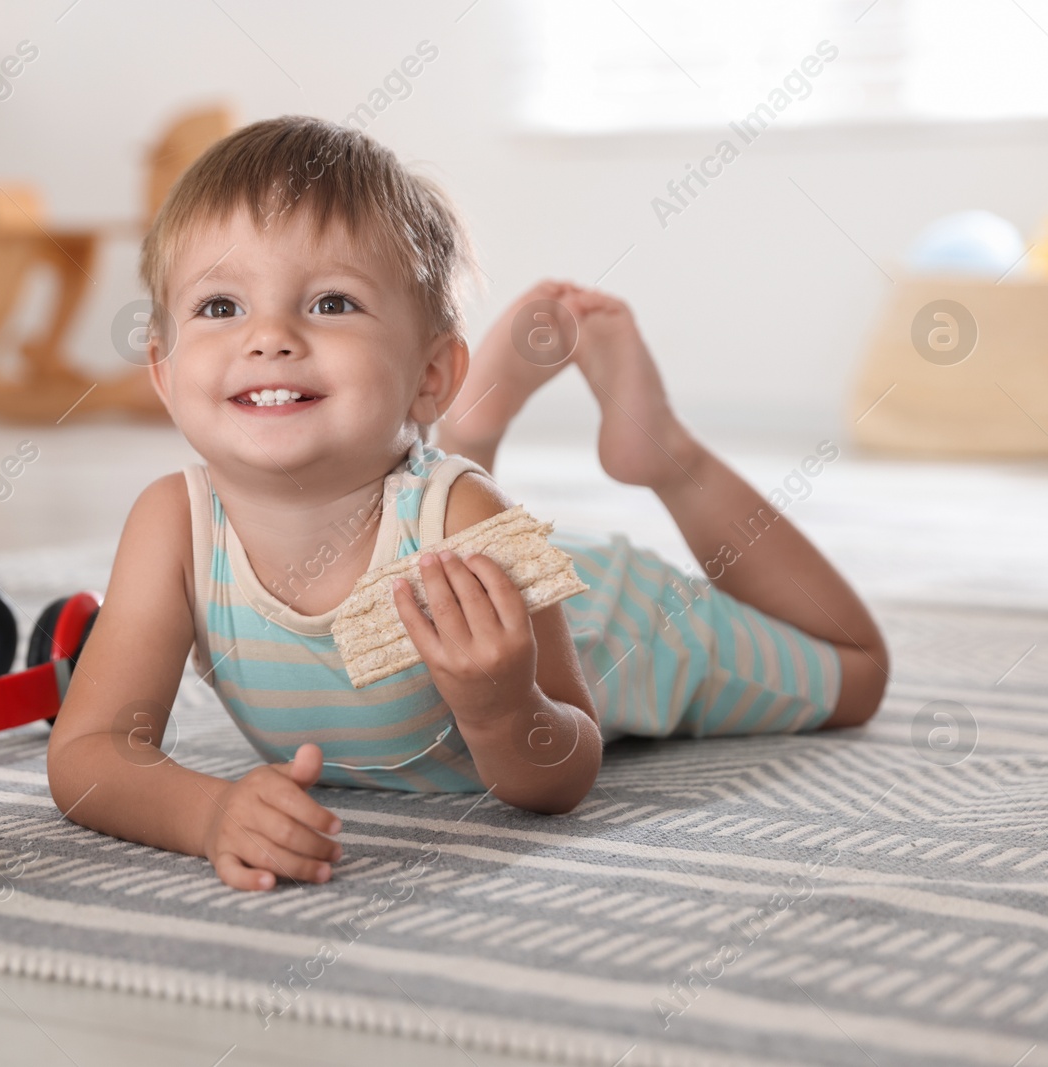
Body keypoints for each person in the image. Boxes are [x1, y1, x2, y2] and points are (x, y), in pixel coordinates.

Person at [47, 115, 888, 892]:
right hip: (448, 531)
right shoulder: (173, 523)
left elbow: (563, 772)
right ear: (162, 371)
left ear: (426, 373)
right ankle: (468, 428)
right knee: (439, 502)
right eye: (220, 306)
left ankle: (663, 453)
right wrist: (207, 813)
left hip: (611, 619)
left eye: (331, 302)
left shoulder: (468, 521)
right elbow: (88, 754)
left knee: (857, 675)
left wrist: (502, 704)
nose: (268, 336)